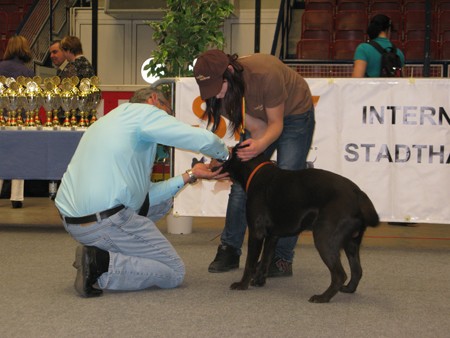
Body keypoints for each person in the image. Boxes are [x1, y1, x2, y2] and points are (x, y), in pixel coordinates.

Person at [54, 87, 229, 297]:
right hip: (105, 221)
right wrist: (225, 155)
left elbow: (145, 198)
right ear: (154, 100)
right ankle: (102, 264)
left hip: (74, 222)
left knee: (162, 203)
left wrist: (191, 174)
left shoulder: (107, 121)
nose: (168, 118)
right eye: (168, 111)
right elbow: (205, 141)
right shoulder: (144, 113)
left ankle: (103, 253)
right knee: (173, 271)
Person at [193, 50, 315, 277]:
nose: (216, 96)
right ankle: (229, 249)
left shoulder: (265, 73)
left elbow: (276, 125)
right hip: (261, 121)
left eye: (217, 88)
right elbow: (258, 128)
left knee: (287, 185)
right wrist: (225, 159)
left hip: (295, 114)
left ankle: (281, 258)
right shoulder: (221, 93)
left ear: (229, 72)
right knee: (242, 180)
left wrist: (259, 146)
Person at [0, 35, 35, 209]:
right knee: (18, 156)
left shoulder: (0, 67)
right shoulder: (28, 72)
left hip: (1, 117)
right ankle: (16, 197)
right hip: (19, 119)